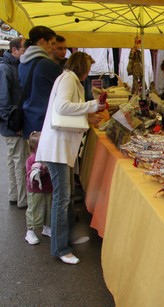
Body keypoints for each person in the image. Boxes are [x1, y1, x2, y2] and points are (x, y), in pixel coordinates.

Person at [36, 51, 105, 264]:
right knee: (62, 198)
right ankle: (60, 247)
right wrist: (91, 106)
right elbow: (62, 107)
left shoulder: (69, 78)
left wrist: (87, 114)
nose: (88, 72)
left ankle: (66, 239)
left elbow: (67, 110)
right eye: (88, 67)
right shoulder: (68, 79)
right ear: (81, 67)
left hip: (61, 147)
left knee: (66, 196)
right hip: (57, 148)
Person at [19, 25, 62, 139]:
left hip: (28, 121)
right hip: (45, 123)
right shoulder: (47, 65)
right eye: (52, 43)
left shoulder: (22, 64)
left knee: (33, 156)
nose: (53, 47)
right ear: (42, 41)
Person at [0, 37, 28, 209]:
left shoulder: (13, 66)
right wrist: (14, 125)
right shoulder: (5, 68)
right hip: (12, 124)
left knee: (13, 160)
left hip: (10, 122)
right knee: (19, 161)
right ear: (14, 50)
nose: (26, 53)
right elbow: (3, 100)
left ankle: (15, 195)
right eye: (24, 50)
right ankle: (22, 199)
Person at [25, 131, 53, 245]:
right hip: (35, 190)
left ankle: (47, 227)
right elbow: (30, 175)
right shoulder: (32, 159)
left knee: (48, 208)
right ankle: (30, 231)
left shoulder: (47, 156)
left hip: (48, 188)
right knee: (34, 209)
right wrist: (41, 169)